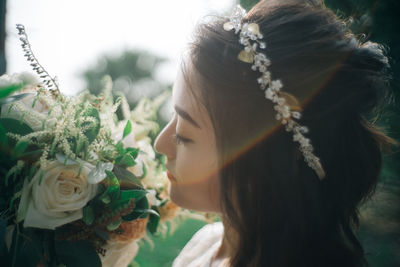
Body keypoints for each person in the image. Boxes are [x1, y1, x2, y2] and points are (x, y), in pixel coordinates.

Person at [154, 0, 398, 266]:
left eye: (184, 134)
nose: (160, 144)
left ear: (265, 154)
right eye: (173, 118)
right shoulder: (207, 241)